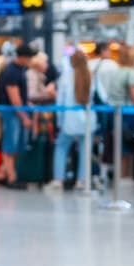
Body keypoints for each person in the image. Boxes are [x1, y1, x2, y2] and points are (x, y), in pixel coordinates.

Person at [47, 49, 93, 192]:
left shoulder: (66, 77)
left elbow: (60, 101)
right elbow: (101, 97)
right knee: (85, 150)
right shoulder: (91, 76)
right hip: (88, 119)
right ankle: (82, 180)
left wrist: (59, 121)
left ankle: (58, 180)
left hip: (69, 120)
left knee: (61, 148)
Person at [0, 41, 35, 189]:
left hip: (16, 112)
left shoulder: (19, 70)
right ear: (23, 57)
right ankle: (11, 177)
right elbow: (14, 97)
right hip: (12, 113)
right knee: (10, 145)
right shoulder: (12, 72)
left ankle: (2, 174)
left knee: (16, 145)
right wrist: (24, 117)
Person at [101, 44, 134, 177]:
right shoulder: (131, 73)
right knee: (126, 146)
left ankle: (117, 175)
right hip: (127, 113)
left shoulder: (117, 71)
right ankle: (123, 176)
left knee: (116, 145)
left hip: (113, 112)